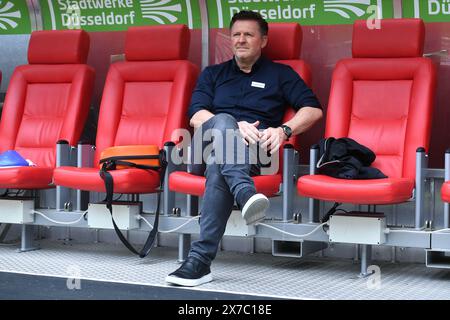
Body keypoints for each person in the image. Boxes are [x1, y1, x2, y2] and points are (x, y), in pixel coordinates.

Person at [166, 11, 322, 287]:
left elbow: (312, 110)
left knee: (219, 166)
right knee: (223, 122)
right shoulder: (213, 74)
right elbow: (196, 115)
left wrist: (284, 130)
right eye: (236, 34)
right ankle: (245, 192)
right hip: (207, 146)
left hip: (256, 152)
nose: (240, 40)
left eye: (248, 35)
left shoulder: (281, 74)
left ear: (263, 40)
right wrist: (233, 126)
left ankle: (199, 263)